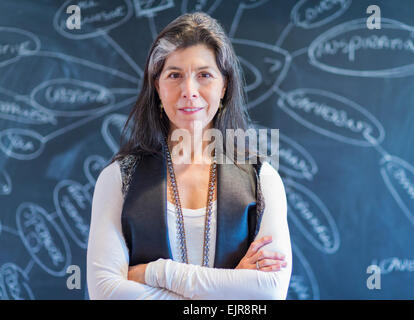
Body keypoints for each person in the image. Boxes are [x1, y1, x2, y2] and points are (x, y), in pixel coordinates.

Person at [87, 11, 292, 300]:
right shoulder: (118, 179)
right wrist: (231, 287)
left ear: (225, 86)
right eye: (174, 75)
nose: (189, 91)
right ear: (157, 87)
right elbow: (106, 293)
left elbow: (269, 293)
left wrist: (153, 273)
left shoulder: (262, 179)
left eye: (204, 75)